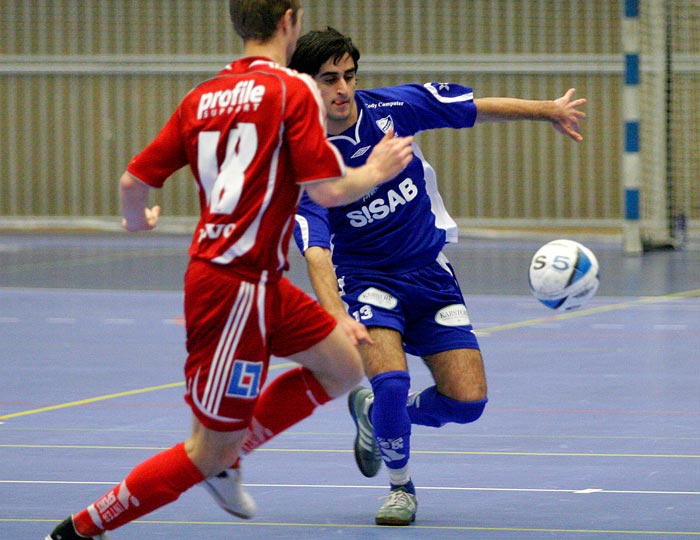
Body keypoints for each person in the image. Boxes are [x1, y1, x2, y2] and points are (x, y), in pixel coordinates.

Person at [45, 4, 414, 539]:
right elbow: (329, 190)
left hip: (262, 279)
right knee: (203, 450)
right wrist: (376, 169)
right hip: (230, 284)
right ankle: (81, 529)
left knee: (343, 366)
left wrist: (137, 221)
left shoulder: (201, 98)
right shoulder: (293, 91)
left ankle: (229, 455)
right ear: (290, 21)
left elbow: (133, 182)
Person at [289, 27, 586, 526]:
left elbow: (474, 108)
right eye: (328, 79)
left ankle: (377, 415)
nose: (342, 88)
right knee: (390, 383)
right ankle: (400, 487)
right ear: (304, 85)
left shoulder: (393, 110)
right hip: (367, 279)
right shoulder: (306, 161)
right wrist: (337, 317)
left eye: (348, 76)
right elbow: (316, 251)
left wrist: (547, 110)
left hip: (430, 273)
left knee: (467, 403)